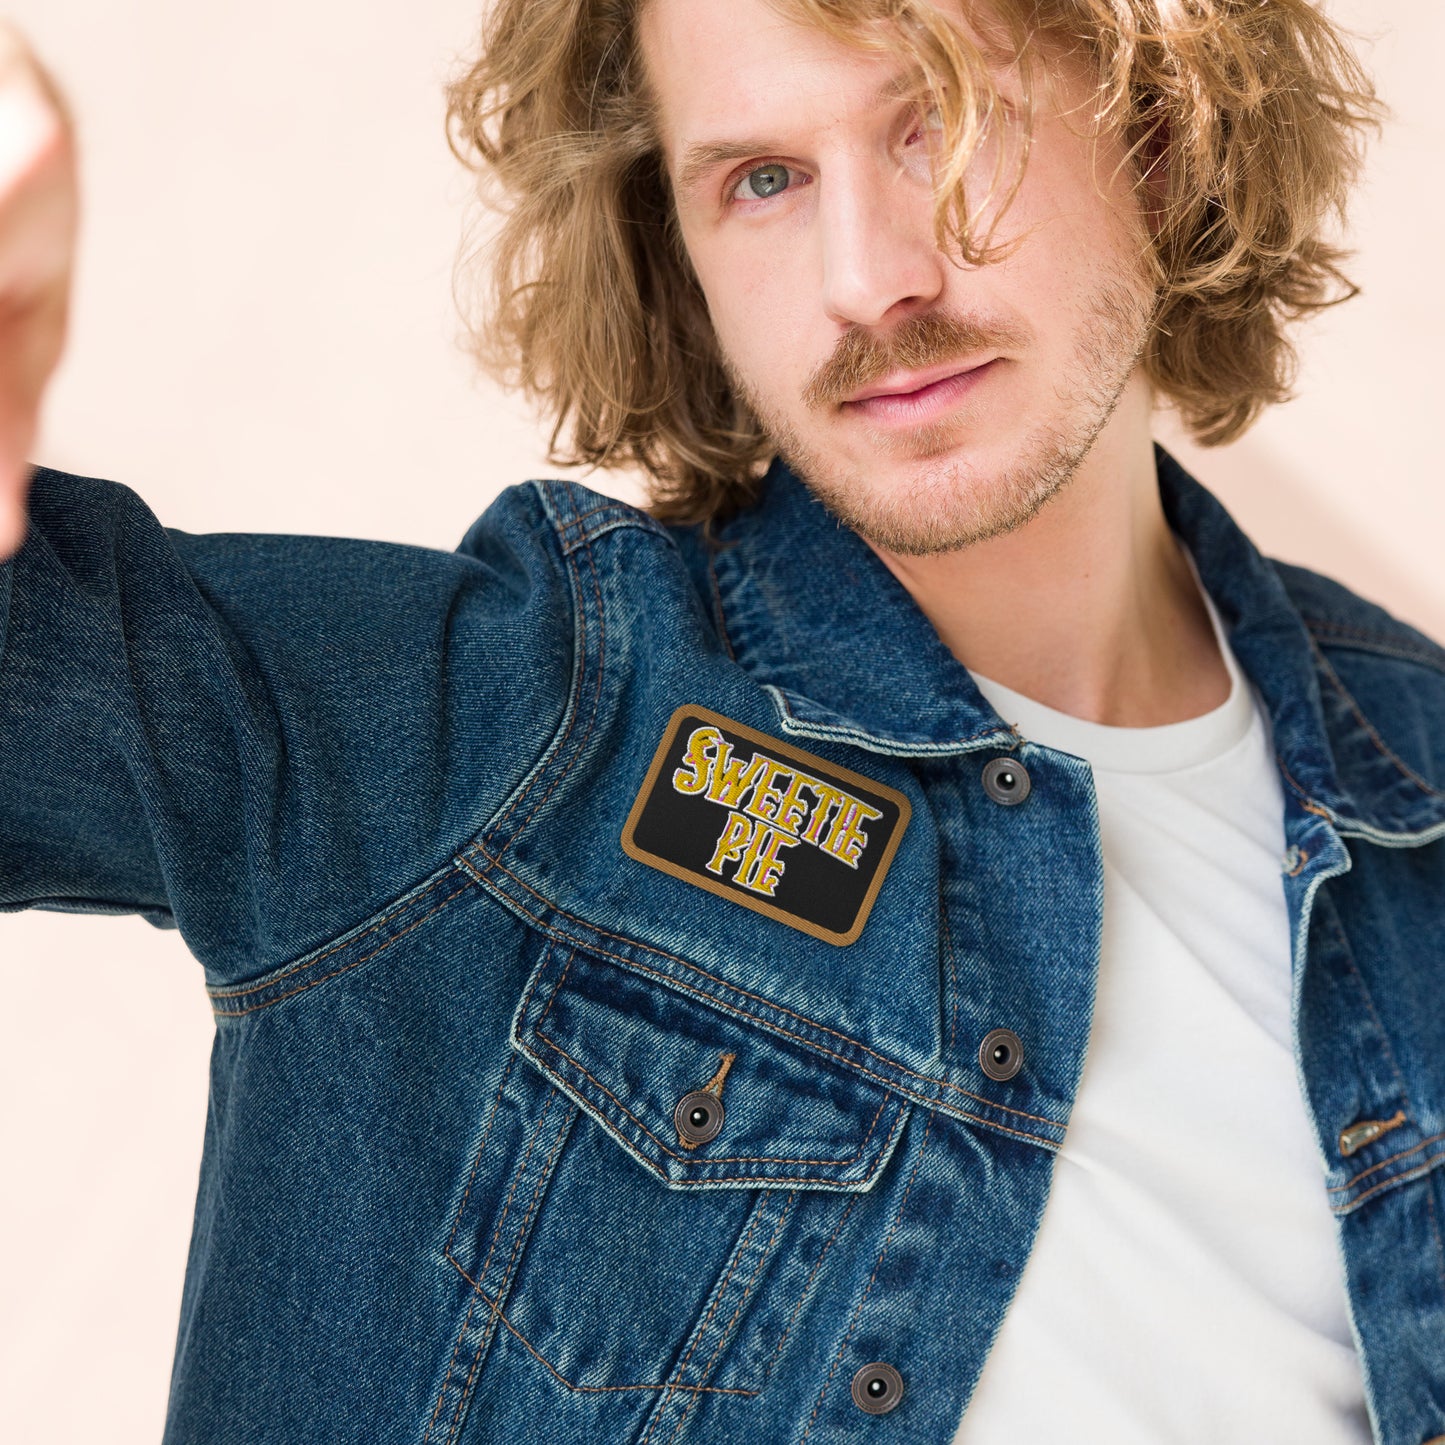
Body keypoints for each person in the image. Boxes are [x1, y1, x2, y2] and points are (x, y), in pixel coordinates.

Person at [1, 2, 1441, 1442]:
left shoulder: (1419, 777)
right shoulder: (506, 726)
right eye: (762, 180)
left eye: (941, 125)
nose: (868, 279)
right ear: (673, 256)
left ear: (1161, 129)